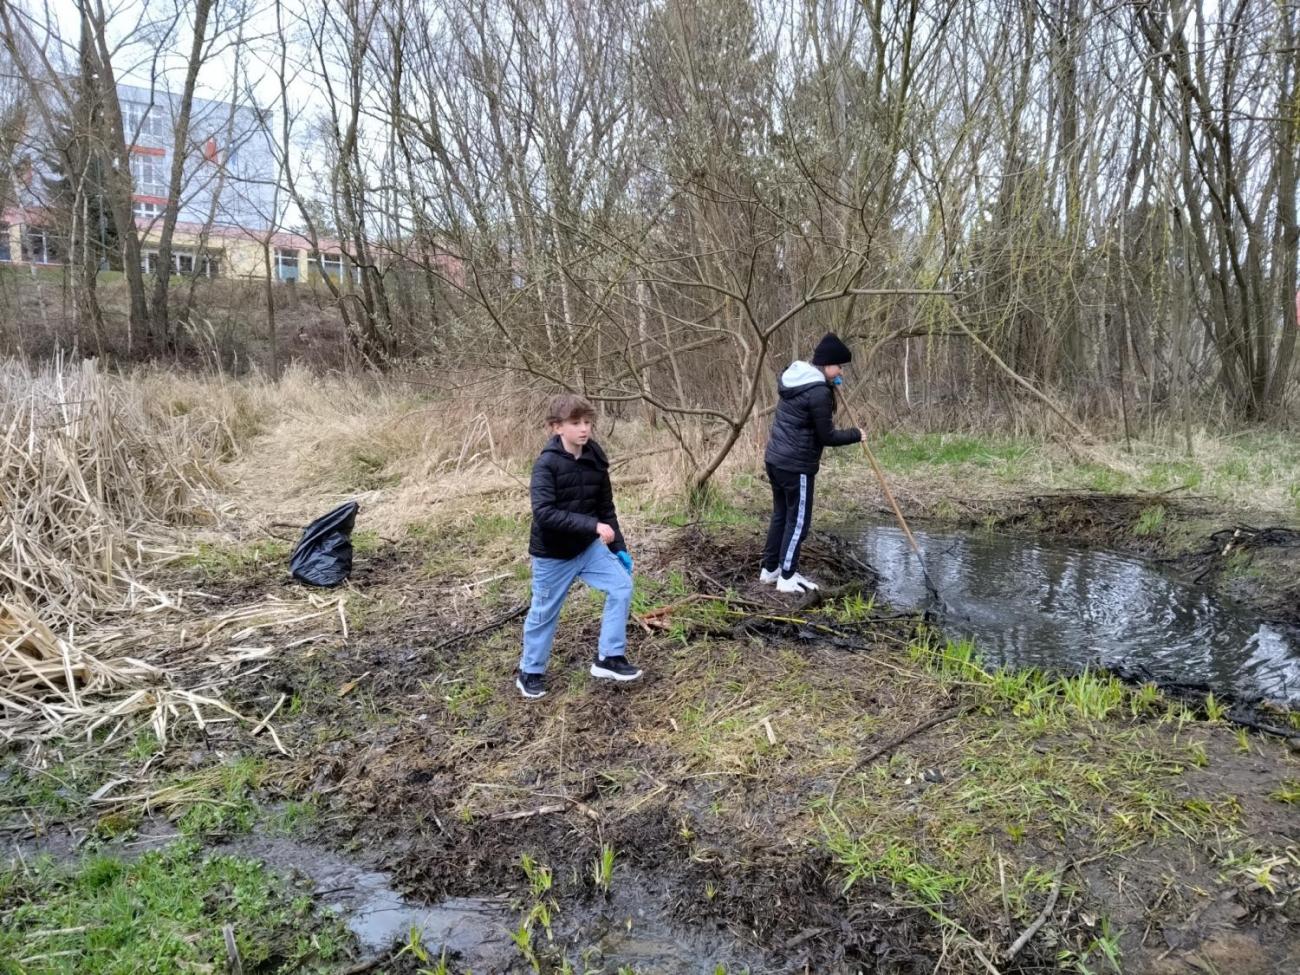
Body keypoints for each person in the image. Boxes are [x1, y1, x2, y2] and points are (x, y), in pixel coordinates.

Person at [517, 394, 641, 699]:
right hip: (553, 555)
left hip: (589, 549)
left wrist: (618, 548)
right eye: (575, 423)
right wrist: (592, 526)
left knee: (621, 587)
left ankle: (609, 658)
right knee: (544, 612)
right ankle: (530, 672)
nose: (584, 429)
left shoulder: (595, 456)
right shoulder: (546, 464)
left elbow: (605, 507)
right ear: (556, 427)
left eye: (587, 422)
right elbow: (544, 514)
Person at [761, 332, 863, 593]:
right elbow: (827, 436)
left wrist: (831, 387)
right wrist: (856, 434)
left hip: (775, 460)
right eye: (839, 366)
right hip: (796, 466)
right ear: (828, 364)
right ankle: (786, 576)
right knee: (798, 522)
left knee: (781, 515)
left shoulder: (796, 380)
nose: (841, 371)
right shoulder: (818, 391)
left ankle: (770, 569)